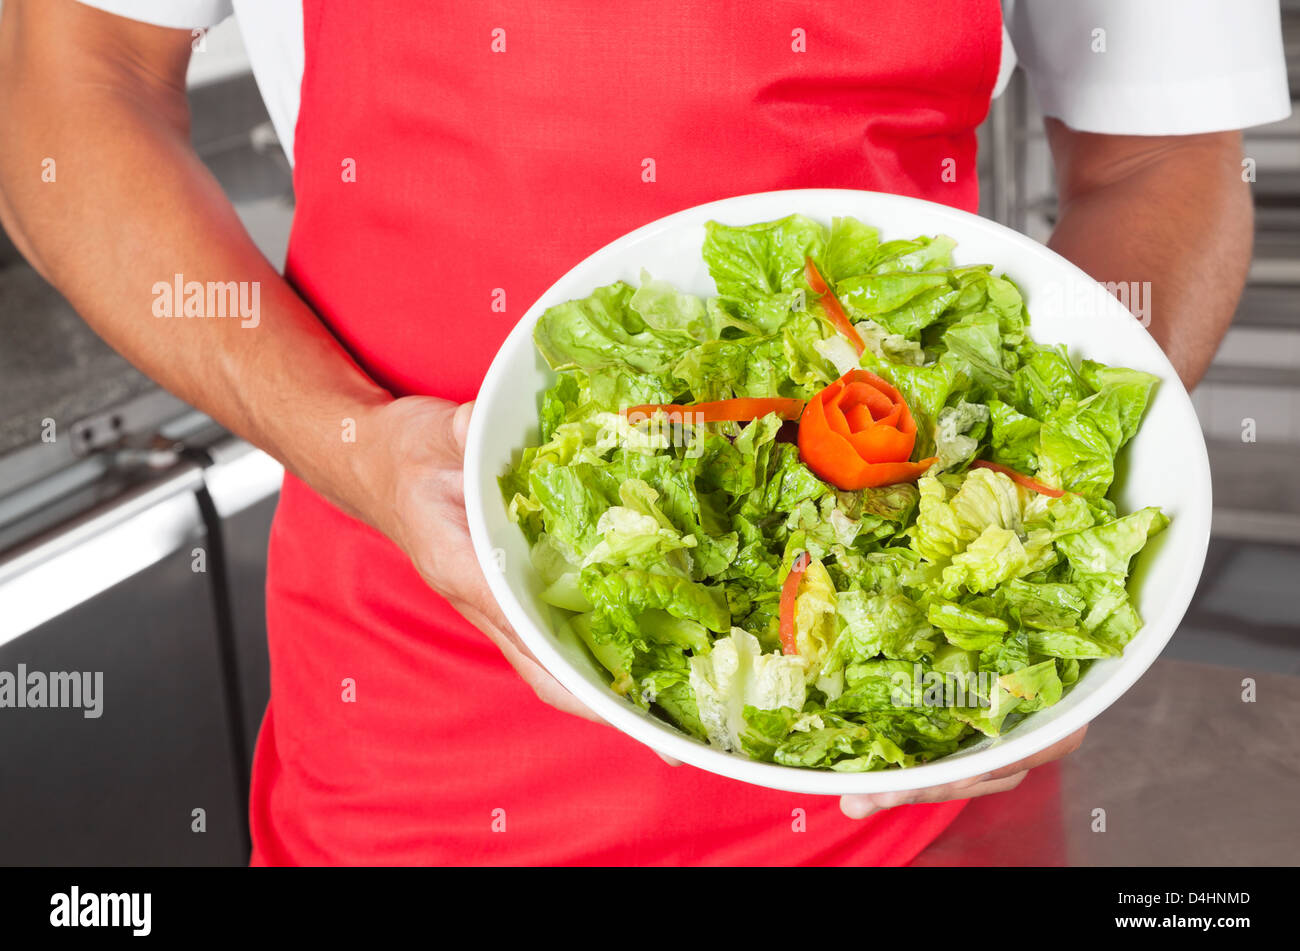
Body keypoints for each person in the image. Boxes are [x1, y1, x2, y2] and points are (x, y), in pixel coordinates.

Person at [0, 0, 1289, 865]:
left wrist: (1048, 495)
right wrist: (351, 444)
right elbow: (66, 85)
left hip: (915, 761)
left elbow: (1159, 161)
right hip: (414, 725)